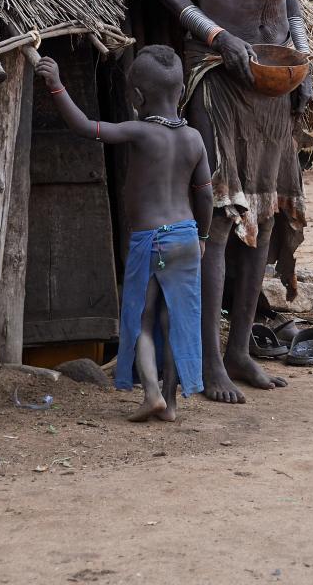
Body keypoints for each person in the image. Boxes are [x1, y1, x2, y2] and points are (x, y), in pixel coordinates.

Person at [156, 0, 312, 404]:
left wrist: (301, 49)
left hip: (275, 75)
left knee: (267, 216)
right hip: (220, 77)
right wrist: (220, 39)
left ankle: (241, 351)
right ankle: (211, 365)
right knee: (223, 217)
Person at [36, 47, 213, 421]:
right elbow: (205, 194)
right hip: (185, 236)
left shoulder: (139, 131)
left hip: (149, 240)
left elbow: (86, 127)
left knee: (143, 320)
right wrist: (203, 237)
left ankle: (151, 394)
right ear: (181, 91)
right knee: (176, 321)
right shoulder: (194, 139)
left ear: (135, 97)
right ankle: (172, 402)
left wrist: (56, 86)